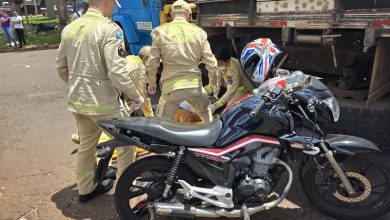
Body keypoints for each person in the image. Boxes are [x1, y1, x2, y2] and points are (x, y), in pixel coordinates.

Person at [55, 0, 144, 203]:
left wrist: (77, 85)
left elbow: (61, 67)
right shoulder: (109, 29)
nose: (113, 8)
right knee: (127, 144)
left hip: (78, 101)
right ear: (105, 2)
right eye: (113, 4)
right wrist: (135, 95)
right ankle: (125, 192)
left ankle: (86, 189)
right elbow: (117, 72)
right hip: (103, 103)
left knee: (87, 145)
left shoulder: (69, 28)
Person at [146, 0, 218, 123]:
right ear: (189, 15)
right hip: (194, 88)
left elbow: (152, 62)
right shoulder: (199, 32)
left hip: (171, 89)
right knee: (207, 119)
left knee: (162, 124)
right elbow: (212, 63)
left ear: (172, 14)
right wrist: (214, 84)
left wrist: (151, 82)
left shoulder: (160, 32)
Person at [209, 48, 255, 113]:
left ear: (227, 61)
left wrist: (216, 106)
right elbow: (218, 78)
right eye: (217, 63)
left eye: (219, 63)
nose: (218, 65)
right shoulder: (220, 63)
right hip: (229, 85)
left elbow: (230, 92)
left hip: (242, 89)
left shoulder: (232, 70)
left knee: (228, 110)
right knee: (208, 88)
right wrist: (215, 94)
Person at [124, 46, 154, 117]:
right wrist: (150, 116)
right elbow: (142, 95)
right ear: (145, 58)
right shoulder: (138, 70)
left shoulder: (131, 58)